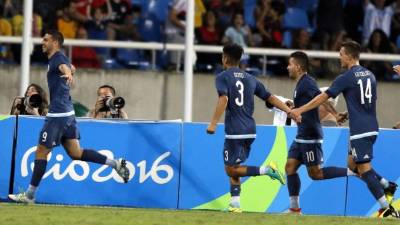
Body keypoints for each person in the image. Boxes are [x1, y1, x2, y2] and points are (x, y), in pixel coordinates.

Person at [8, 30, 130, 204]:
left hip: (58, 114)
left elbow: (65, 67)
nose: (42, 42)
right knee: (76, 152)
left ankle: (29, 195)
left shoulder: (57, 58)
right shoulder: (58, 59)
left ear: (55, 42)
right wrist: (70, 70)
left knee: (41, 151)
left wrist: (69, 73)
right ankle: (115, 164)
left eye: (46, 39)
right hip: (68, 113)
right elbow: (69, 66)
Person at [290, 41, 399, 218]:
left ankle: (386, 208)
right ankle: (387, 185)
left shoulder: (346, 77)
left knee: (364, 169)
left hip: (360, 130)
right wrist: (348, 113)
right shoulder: (370, 75)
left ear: (349, 56)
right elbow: (366, 102)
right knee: (352, 165)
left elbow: (322, 97)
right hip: (371, 125)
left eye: (341, 54)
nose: (339, 57)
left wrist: (300, 110)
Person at [206, 44, 293, 213]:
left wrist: (213, 123)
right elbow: (271, 97)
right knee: (236, 166)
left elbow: (223, 99)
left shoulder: (223, 77)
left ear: (224, 58)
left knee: (230, 169)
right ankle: (235, 204)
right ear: (239, 59)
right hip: (250, 129)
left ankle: (268, 170)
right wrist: (290, 111)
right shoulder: (250, 78)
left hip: (235, 130)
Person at [284, 51, 355, 214]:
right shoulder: (302, 83)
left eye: (290, 64)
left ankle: (352, 172)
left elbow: (323, 98)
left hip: (310, 136)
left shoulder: (307, 83)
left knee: (315, 174)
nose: (288, 67)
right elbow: (317, 99)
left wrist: (336, 114)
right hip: (301, 135)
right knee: (289, 167)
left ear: (298, 66)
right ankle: (294, 209)